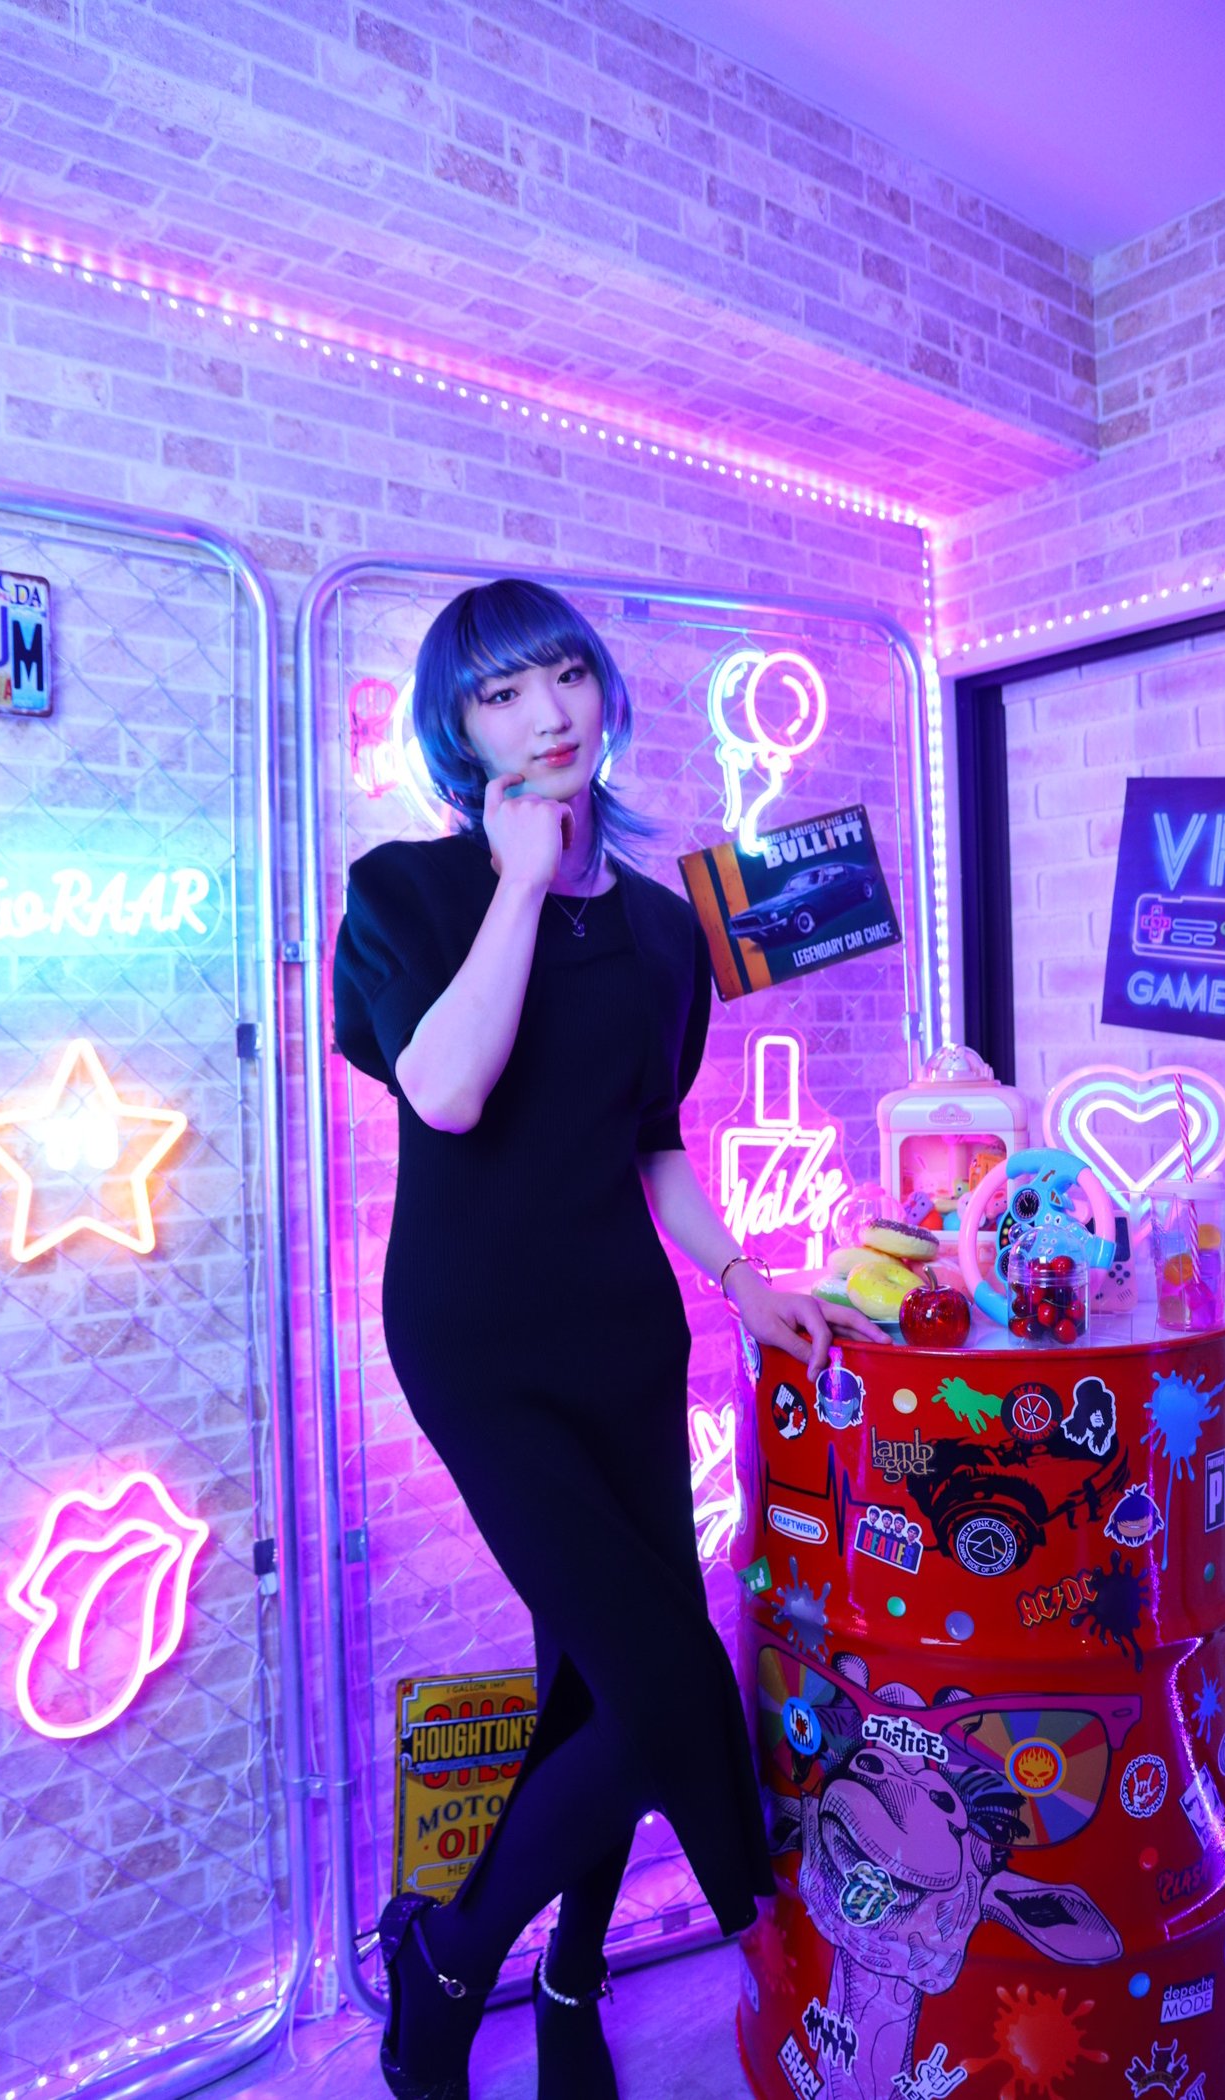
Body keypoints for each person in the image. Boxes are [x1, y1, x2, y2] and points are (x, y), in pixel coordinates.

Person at [335, 578, 886, 2100]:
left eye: (567, 675)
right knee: (665, 1683)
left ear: (603, 690)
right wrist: (518, 883)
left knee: (597, 1673)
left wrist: (739, 1275)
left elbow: (652, 1138)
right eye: (503, 693)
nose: (548, 714)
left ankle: (566, 1979)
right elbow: (448, 1092)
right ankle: (448, 1963)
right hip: (478, 1339)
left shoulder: (658, 925)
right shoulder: (405, 892)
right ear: (457, 729)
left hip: (625, 1336)